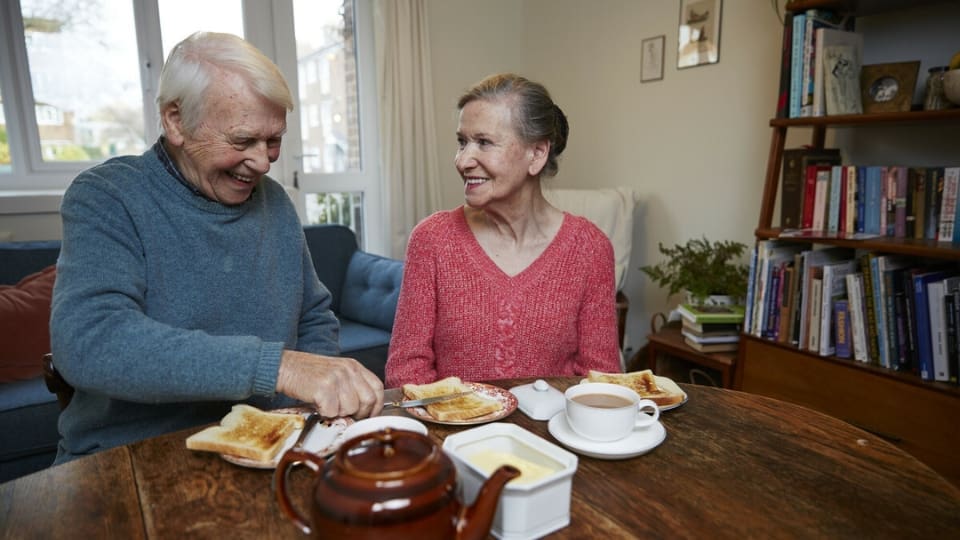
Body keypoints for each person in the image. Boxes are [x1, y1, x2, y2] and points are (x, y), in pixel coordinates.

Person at [50, 32, 383, 463]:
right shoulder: (107, 196)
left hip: (270, 449)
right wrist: (280, 367)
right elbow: (90, 342)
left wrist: (312, 409)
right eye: (242, 141)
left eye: (273, 140)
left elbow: (314, 316)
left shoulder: (274, 202)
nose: (263, 163)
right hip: (130, 457)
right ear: (176, 121)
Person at [384, 73, 622, 387]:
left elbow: (602, 380)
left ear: (536, 153)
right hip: (454, 433)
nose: (463, 160)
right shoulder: (432, 239)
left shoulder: (589, 248)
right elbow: (405, 374)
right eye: (462, 142)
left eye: (483, 142)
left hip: (552, 434)